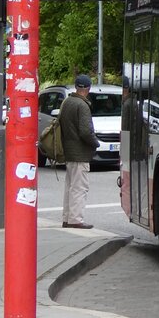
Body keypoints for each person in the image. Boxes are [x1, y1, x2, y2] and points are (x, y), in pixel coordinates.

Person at [60, 73, 100, 229]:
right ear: (88, 88)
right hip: (80, 153)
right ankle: (76, 219)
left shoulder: (67, 102)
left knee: (69, 187)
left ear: (76, 87)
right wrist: (95, 143)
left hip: (68, 151)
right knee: (79, 187)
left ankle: (67, 218)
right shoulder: (82, 105)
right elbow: (85, 131)